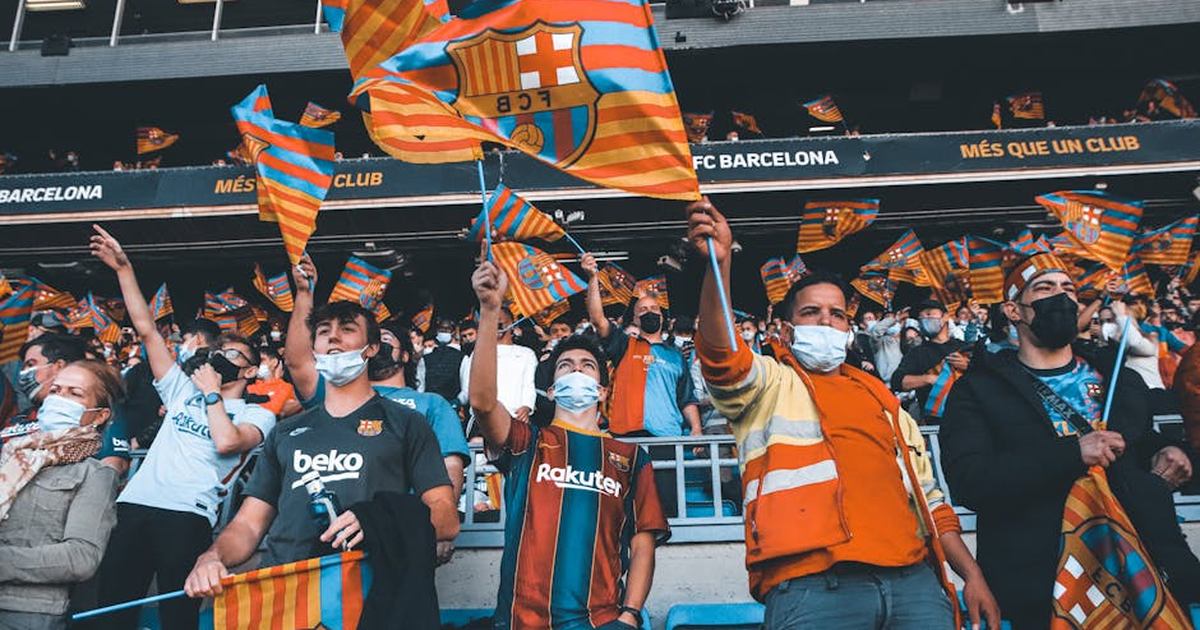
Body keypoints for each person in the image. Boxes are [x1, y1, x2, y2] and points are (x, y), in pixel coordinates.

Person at [687, 200, 998, 630]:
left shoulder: (885, 402)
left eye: (837, 314)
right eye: (811, 312)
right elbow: (720, 356)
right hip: (813, 588)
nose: (826, 322)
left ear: (849, 329)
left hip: (914, 586)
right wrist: (719, 267)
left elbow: (931, 502)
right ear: (786, 329)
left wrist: (973, 575)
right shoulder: (771, 384)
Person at [939, 253, 1200, 628]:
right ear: (1014, 310)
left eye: (1068, 289)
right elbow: (971, 482)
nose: (1061, 298)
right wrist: (1072, 453)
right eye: (1044, 289)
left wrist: (1172, 451)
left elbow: (1141, 444)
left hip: (1143, 569)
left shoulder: (1116, 378)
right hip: (1045, 585)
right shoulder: (978, 391)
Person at [184, 300, 459, 596]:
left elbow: (445, 518)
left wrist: (379, 520)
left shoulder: (406, 423)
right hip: (288, 594)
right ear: (314, 349)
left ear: (372, 348)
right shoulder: (284, 432)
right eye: (324, 331)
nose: (333, 337)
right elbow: (249, 525)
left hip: (371, 594)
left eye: (348, 329)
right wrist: (211, 557)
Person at [88, 225, 277, 629]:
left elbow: (228, 442)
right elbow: (147, 332)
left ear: (251, 368)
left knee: (178, 614)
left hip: (187, 517)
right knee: (113, 609)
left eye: (234, 353)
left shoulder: (256, 414)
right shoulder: (180, 389)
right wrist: (124, 269)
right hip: (136, 506)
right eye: (218, 351)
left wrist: (212, 396)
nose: (222, 357)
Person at [467, 254, 669, 630]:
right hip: (518, 621)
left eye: (587, 366)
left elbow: (644, 541)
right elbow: (481, 402)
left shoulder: (630, 455)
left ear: (602, 389)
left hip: (603, 621)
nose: (576, 370)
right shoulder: (527, 440)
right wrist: (490, 312)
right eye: (566, 366)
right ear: (551, 387)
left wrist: (630, 616)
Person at [284, 257, 470, 517]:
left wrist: (438, 524)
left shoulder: (432, 404)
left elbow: (449, 465)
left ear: (405, 355)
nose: (380, 347)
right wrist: (304, 294)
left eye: (386, 341)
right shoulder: (335, 395)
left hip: (398, 528)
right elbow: (297, 361)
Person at [0, 360, 122, 630]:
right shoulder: (11, 456)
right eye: (55, 390)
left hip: (25, 611)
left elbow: (81, 557)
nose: (59, 399)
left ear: (100, 415)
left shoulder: (93, 474)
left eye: (75, 393)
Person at [581, 254, 701, 439]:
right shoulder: (623, 344)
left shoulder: (676, 356)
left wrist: (696, 429)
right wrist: (593, 278)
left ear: (662, 317)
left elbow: (686, 398)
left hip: (667, 435)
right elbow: (597, 319)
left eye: (654, 309)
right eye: (643, 310)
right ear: (636, 319)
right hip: (627, 435)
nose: (649, 313)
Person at [3, 334, 130, 474]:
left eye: (31, 364)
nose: (23, 374)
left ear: (59, 366)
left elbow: (113, 465)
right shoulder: (18, 419)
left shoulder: (92, 414)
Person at [890, 300, 969, 423]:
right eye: (921, 317)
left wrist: (968, 366)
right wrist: (929, 379)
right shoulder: (917, 353)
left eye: (929, 314)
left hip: (968, 417)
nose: (924, 319)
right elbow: (897, 381)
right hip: (936, 422)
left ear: (945, 317)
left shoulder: (965, 348)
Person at [459, 306, 537, 426]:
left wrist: (527, 406)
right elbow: (471, 387)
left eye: (499, 323)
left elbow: (529, 384)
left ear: (512, 324)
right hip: (484, 420)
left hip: (517, 418)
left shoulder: (527, 354)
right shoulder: (478, 353)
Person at [416, 318, 466, 405]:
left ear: (453, 332)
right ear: (437, 331)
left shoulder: (462, 358)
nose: (444, 332)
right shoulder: (425, 358)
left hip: (452, 405)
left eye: (447, 330)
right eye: (441, 329)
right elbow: (420, 386)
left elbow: (466, 387)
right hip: (430, 404)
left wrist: (457, 402)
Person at [245, 345, 300, 419]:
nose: (257, 365)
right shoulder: (248, 387)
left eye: (261, 360)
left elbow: (273, 410)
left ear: (274, 362)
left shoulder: (285, 387)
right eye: (255, 362)